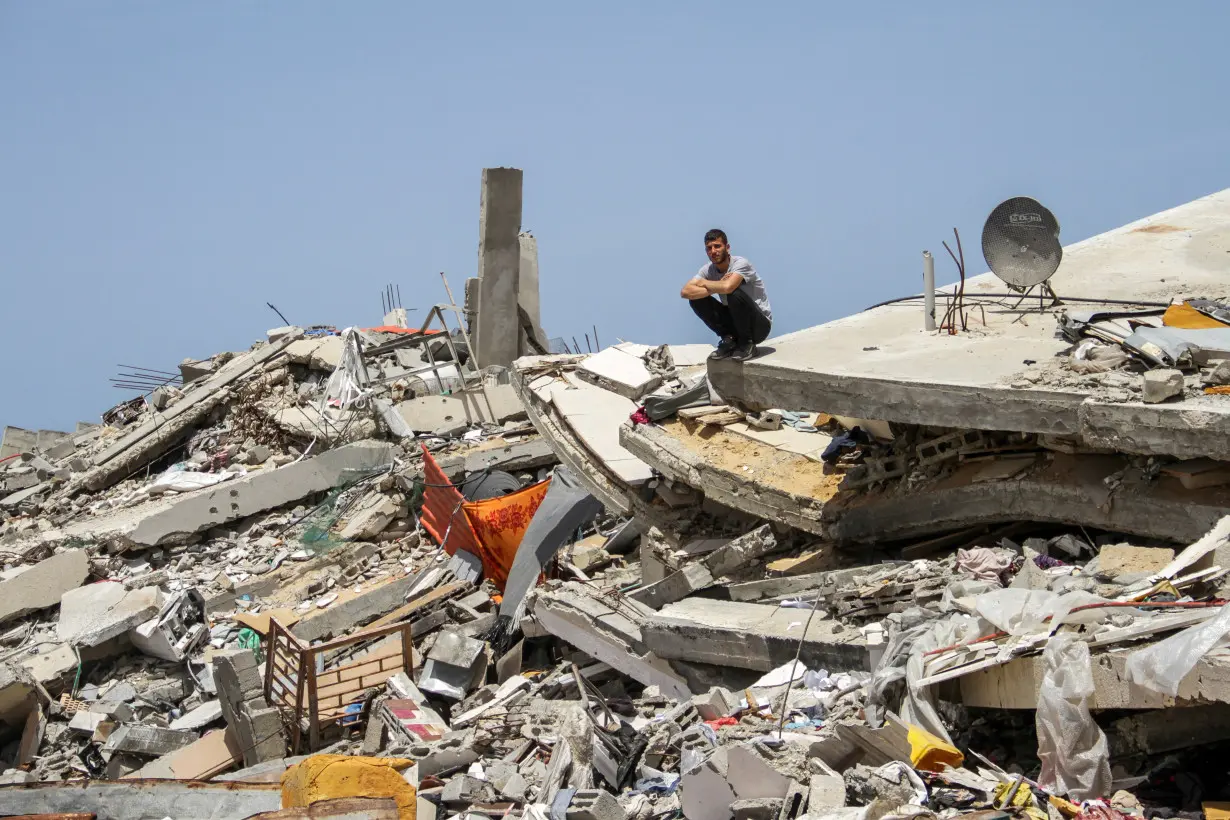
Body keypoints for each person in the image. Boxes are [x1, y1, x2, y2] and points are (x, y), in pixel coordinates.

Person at [680, 228, 772, 361]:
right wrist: (715, 287)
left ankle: (747, 344)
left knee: (733, 293)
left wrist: (705, 283)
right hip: (736, 323)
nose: (713, 251)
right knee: (696, 299)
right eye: (709, 248)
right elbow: (685, 292)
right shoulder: (708, 270)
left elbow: (728, 287)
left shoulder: (741, 264)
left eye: (717, 246)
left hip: (758, 326)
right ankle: (729, 340)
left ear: (727, 248)